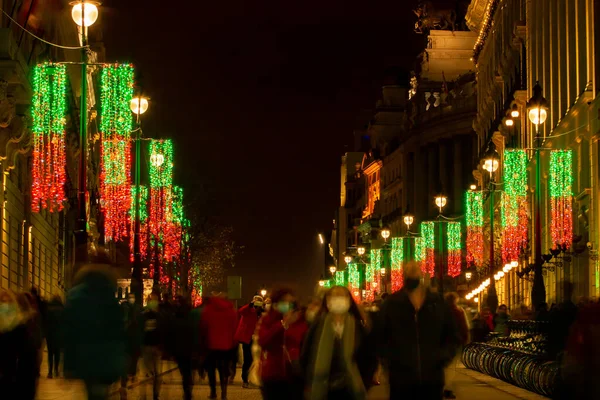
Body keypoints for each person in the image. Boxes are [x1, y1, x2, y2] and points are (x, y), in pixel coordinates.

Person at [377, 262, 460, 400]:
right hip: (401, 380)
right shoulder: (392, 303)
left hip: (432, 379)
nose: (412, 272)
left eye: (415, 269)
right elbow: (379, 336)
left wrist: (441, 357)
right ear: (404, 274)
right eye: (409, 269)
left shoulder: (437, 303)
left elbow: (453, 335)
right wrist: (391, 360)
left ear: (421, 273)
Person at [302, 286, 377, 400]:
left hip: (351, 389)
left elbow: (369, 357)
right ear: (327, 301)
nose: (338, 299)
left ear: (349, 300)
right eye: (334, 295)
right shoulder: (318, 326)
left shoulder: (357, 327)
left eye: (342, 295)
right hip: (323, 389)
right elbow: (306, 355)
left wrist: (364, 383)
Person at [63, 264, 126, 400]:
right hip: (107, 359)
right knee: (100, 393)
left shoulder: (75, 297)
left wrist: (68, 365)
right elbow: (119, 332)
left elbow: (70, 333)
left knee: (92, 392)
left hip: (84, 358)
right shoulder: (111, 298)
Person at [257, 288, 308, 400]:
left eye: (290, 302)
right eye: (284, 302)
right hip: (272, 374)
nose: (287, 305)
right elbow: (263, 341)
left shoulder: (300, 321)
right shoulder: (268, 320)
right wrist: (282, 324)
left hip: (295, 373)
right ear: (276, 304)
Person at [0, 289, 38, 399]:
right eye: (2, 302)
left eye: (9, 303)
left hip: (18, 389)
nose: (5, 306)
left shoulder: (22, 330)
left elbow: (29, 365)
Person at [200, 292, 238, 400]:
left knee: (211, 370)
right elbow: (234, 328)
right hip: (226, 345)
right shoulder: (231, 311)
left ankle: (213, 392)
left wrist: (203, 343)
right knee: (223, 370)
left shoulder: (208, 310)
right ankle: (224, 392)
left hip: (211, 345)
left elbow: (203, 327)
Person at [166, 295, 195, 400]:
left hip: (179, 348)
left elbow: (171, 333)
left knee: (184, 371)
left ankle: (187, 389)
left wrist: (170, 350)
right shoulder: (190, 316)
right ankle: (188, 389)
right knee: (187, 371)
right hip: (188, 347)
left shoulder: (175, 316)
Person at [443, 293, 470, 400]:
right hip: (455, 341)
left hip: (443, 341)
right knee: (451, 366)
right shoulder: (459, 311)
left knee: (443, 365)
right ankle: (447, 388)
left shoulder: (441, 311)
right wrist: (466, 338)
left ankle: (442, 386)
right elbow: (464, 326)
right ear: (456, 300)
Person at [234, 295, 264, 388]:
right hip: (247, 338)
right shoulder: (248, 310)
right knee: (247, 359)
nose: (257, 303)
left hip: (257, 339)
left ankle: (254, 378)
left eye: (259, 302)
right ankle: (245, 379)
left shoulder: (261, 312)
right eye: (256, 301)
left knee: (256, 360)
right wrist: (250, 304)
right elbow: (241, 311)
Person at [141, 292, 164, 400]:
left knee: (154, 373)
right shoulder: (152, 316)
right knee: (149, 372)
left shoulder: (154, 316)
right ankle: (147, 395)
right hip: (149, 346)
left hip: (153, 346)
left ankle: (153, 394)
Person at [45, 295, 64, 379]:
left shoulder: (48, 309)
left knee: (50, 353)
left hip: (50, 334)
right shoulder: (62, 310)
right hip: (59, 334)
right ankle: (56, 370)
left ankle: (50, 372)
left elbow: (46, 322)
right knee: (57, 353)